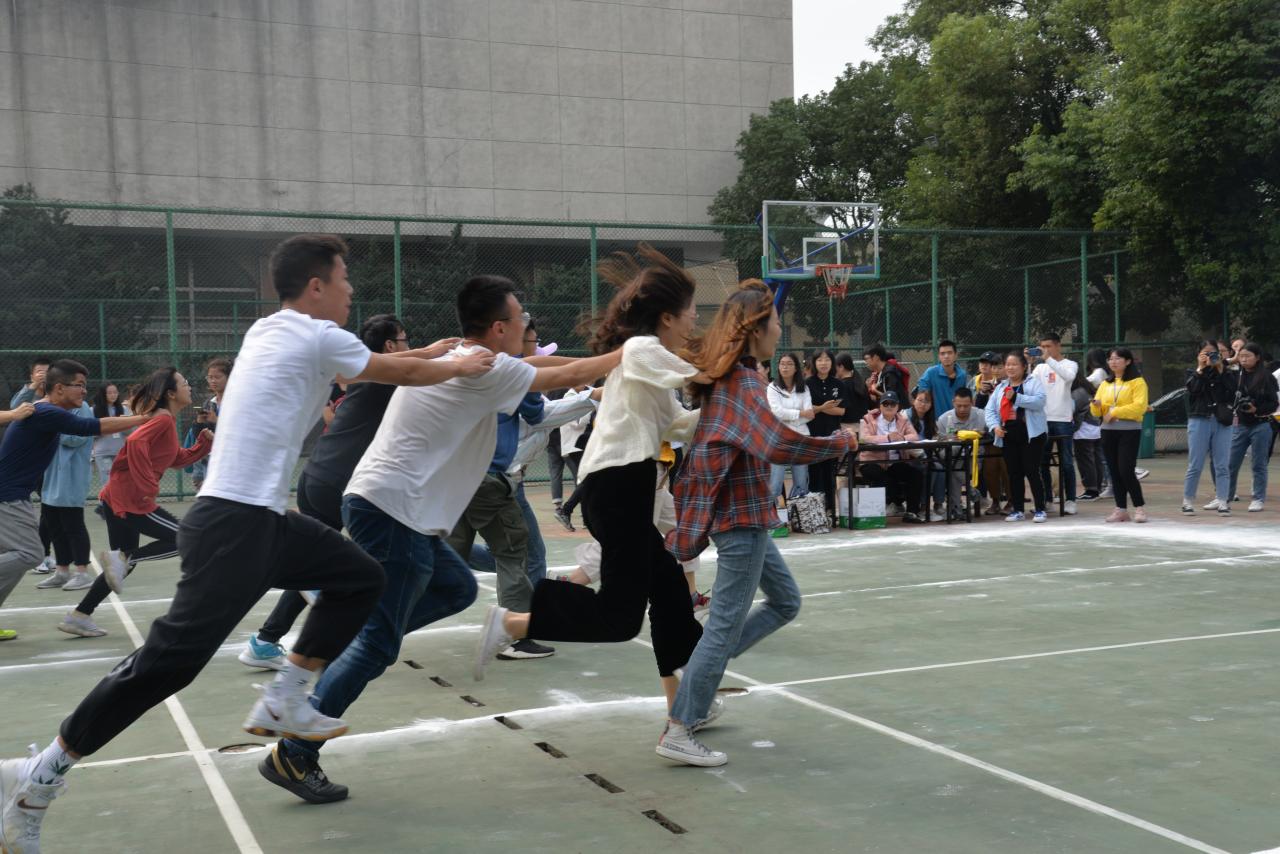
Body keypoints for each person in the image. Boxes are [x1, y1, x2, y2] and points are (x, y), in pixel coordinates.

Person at [0, 234, 499, 851]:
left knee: (360, 577)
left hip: (261, 519)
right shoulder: (317, 334)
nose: (350, 291)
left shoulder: (270, 331)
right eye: (343, 280)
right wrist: (455, 365)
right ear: (316, 286)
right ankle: (38, 778)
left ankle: (285, 696)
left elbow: (371, 362)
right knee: (166, 667)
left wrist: (432, 351)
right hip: (234, 525)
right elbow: (398, 370)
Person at [262, 274, 620, 804]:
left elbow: (548, 370)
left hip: (397, 508)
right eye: (520, 318)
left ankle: (357, 637)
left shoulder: (468, 357)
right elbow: (563, 373)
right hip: (394, 509)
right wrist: (628, 355)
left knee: (456, 588)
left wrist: (607, 367)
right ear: (498, 327)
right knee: (379, 646)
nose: (525, 326)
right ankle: (295, 751)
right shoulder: (484, 367)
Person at [471, 245, 705, 721]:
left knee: (669, 593)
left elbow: (679, 423)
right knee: (620, 618)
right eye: (691, 312)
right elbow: (703, 375)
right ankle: (513, 623)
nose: (695, 320)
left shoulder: (648, 359)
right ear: (667, 316)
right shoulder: (643, 350)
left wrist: (723, 413)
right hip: (619, 487)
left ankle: (682, 711)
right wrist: (737, 365)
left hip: (622, 485)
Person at [657, 281, 855, 766]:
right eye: (776, 324)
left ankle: (698, 671)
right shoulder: (743, 382)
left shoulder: (732, 377)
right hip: (740, 521)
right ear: (755, 330)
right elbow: (778, 444)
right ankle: (680, 727)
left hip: (748, 516)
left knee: (785, 602)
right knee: (723, 628)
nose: (780, 331)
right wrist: (841, 443)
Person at [240, 314, 430, 669]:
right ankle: (341, 634)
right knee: (361, 566)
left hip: (317, 475)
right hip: (339, 481)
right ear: (391, 345)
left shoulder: (368, 376)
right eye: (405, 340)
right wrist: (447, 354)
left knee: (322, 563)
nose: (411, 345)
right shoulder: (382, 377)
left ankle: (265, 641)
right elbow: (418, 370)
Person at [57, 369, 215, 638]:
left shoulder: (166, 420)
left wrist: (202, 445)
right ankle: (124, 560)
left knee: (120, 566)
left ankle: (79, 615)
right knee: (186, 539)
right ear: (171, 393)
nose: (189, 387)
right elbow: (136, 442)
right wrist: (147, 484)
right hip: (132, 498)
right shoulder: (162, 419)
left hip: (118, 496)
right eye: (184, 383)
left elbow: (175, 459)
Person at [0, 359, 147, 642]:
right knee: (30, 554)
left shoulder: (45, 412)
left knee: (13, 561)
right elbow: (90, 426)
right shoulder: (47, 412)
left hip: (13, 495)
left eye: (84, 385)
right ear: (58, 388)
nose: (84, 391)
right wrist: (144, 418)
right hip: (6, 497)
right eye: (78, 385)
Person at [446, 321, 553, 661]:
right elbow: (537, 413)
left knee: (446, 555)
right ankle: (514, 635)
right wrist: (591, 396)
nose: (533, 346)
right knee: (514, 553)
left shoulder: (454, 359)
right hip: (490, 478)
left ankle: (371, 612)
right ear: (500, 329)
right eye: (531, 339)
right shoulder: (511, 372)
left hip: (455, 477)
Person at [31, 395, 98, 593]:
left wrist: (51, 431)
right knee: (54, 525)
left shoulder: (82, 407)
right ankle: (62, 571)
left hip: (71, 476)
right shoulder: (51, 408)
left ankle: (82, 573)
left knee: (73, 525)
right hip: (50, 474)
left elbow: (76, 437)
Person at [985, 352, 1049, 523]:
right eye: (1008, 364)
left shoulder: (1033, 382)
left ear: (1023, 366)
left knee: (1031, 471)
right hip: (1009, 433)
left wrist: (1016, 398)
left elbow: (1040, 402)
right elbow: (990, 410)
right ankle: (1018, 509)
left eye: (1014, 364)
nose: (1010, 368)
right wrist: (995, 426)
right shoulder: (1001, 387)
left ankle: (1040, 509)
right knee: (1014, 473)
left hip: (1031, 434)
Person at [1091, 347, 1150, 522]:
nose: (1113, 362)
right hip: (1108, 431)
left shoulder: (1137, 382)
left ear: (1128, 361)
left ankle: (1139, 508)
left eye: (1117, 358)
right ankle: (1121, 509)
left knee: (1126, 470)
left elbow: (1139, 407)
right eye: (1110, 359)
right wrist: (1096, 405)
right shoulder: (1105, 384)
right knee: (1114, 471)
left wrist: (1114, 412)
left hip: (1129, 431)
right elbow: (1096, 412)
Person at [1030, 333, 1079, 515]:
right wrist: (1028, 363)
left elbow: (1068, 377)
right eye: (1042, 347)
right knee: (1042, 462)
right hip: (1043, 420)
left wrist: (1048, 359)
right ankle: (1047, 499)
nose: (1045, 350)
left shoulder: (1070, 364)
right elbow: (1029, 385)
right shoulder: (1040, 367)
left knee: (1066, 462)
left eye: (1048, 346)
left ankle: (1071, 500)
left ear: (1058, 346)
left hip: (1063, 419)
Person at [1183, 340, 1233, 515]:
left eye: (1214, 353)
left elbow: (1232, 392)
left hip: (1221, 421)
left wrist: (1220, 369)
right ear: (1199, 354)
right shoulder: (1192, 372)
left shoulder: (1227, 373)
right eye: (1206, 352)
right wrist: (1200, 369)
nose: (1210, 356)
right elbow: (1193, 390)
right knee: (1195, 464)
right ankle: (1187, 501)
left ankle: (1223, 500)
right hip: (1199, 419)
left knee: (1222, 464)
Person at [857, 392, 924, 523]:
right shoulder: (868, 419)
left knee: (916, 474)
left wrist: (901, 437)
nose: (889, 406)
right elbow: (864, 438)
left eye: (892, 404)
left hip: (894, 462)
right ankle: (892, 504)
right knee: (881, 476)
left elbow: (914, 436)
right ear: (880, 406)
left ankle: (912, 512)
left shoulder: (903, 420)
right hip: (872, 461)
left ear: (897, 406)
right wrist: (887, 438)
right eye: (885, 404)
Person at [1227, 343, 1279, 512]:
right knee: (1231, 463)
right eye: (1241, 356)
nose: (1243, 359)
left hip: (1261, 424)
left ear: (1257, 357)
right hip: (1240, 425)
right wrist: (1231, 360)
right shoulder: (1236, 376)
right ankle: (1225, 496)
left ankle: (1258, 498)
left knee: (1259, 464)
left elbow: (1274, 404)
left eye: (1247, 356)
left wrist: (1257, 409)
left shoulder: (1267, 377)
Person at [766, 352, 814, 502]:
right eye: (782, 364)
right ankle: (770, 514)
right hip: (780, 438)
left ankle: (798, 514)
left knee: (801, 483)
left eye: (789, 364)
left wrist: (789, 417)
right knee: (775, 482)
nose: (785, 367)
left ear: (796, 368)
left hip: (801, 437)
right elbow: (776, 412)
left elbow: (810, 414)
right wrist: (800, 414)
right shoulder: (773, 387)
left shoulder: (804, 388)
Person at [804, 349, 846, 517]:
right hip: (812, 434)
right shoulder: (806, 384)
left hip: (832, 434)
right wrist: (824, 407)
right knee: (814, 472)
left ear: (832, 363)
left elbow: (841, 411)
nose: (823, 363)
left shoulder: (838, 384)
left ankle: (830, 510)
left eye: (827, 360)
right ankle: (816, 511)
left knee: (829, 472)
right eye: (820, 360)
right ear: (814, 363)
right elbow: (806, 410)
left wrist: (818, 408)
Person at [935, 387, 987, 518]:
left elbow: (994, 430)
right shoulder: (943, 419)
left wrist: (984, 433)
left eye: (966, 406)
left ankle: (956, 509)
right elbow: (937, 443)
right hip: (952, 456)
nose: (962, 409)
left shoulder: (982, 415)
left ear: (972, 403)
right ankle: (970, 492)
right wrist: (947, 439)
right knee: (952, 464)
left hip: (974, 458)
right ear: (953, 402)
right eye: (959, 406)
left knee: (952, 470)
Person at [186, 357, 231, 491]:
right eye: (210, 377)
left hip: (230, 461)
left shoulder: (236, 402)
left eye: (217, 377)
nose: (213, 381)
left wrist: (217, 421)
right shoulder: (209, 403)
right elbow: (199, 435)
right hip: (209, 461)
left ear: (229, 378)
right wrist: (199, 422)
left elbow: (239, 432)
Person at [1072, 372, 1104, 502]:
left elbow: (1072, 409)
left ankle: (1091, 490)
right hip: (1095, 428)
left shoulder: (1078, 392)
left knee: (1085, 461)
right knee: (1096, 459)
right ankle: (1096, 488)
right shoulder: (1087, 389)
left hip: (1083, 430)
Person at [917, 340, 969, 422]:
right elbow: (922, 395)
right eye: (942, 353)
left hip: (956, 421)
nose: (946, 356)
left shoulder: (962, 375)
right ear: (939, 356)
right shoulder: (930, 373)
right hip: (935, 421)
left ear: (955, 355)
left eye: (949, 353)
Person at [89, 383, 128, 490]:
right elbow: (89, 431)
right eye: (109, 393)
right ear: (103, 394)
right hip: (103, 453)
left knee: (121, 481)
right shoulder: (93, 410)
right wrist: (103, 430)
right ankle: (106, 501)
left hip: (120, 452)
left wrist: (124, 425)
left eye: (115, 392)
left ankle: (119, 501)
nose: (113, 395)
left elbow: (130, 430)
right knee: (108, 482)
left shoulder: (124, 409)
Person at [834, 353, 872, 424]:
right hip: (863, 424)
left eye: (834, 367)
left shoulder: (841, 385)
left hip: (847, 426)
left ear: (841, 367)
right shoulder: (860, 382)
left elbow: (840, 410)